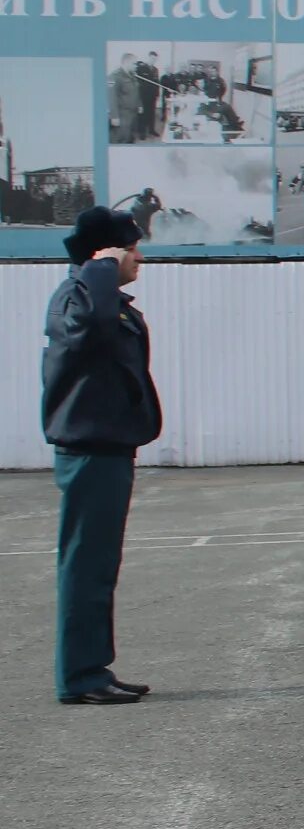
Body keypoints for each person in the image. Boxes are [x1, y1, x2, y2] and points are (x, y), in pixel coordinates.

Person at [44, 207, 162, 705]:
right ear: (107, 253)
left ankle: (94, 668)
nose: (140, 256)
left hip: (108, 448)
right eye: (130, 248)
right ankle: (80, 678)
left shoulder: (98, 298)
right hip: (91, 452)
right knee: (85, 567)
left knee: (99, 567)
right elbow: (94, 328)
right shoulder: (81, 297)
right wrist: (100, 268)